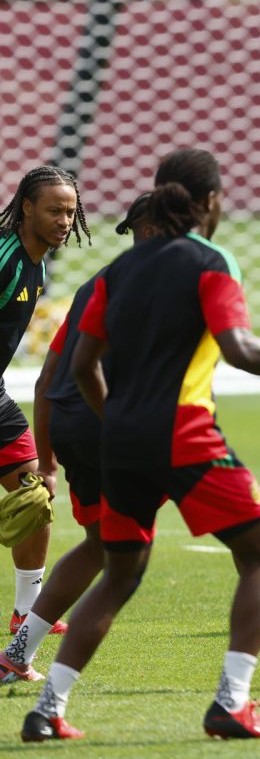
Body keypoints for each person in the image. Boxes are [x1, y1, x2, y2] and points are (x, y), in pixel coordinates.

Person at [21, 149, 260, 742]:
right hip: (186, 437)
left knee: (118, 574)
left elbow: (83, 363)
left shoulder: (109, 275)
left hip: (119, 443)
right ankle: (232, 701)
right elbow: (241, 349)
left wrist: (117, 418)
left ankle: (47, 710)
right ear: (212, 202)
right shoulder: (211, 261)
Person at [0, 167, 90, 639]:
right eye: (54, 209)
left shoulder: (36, 262)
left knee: (33, 498)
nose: (63, 219)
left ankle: (27, 611)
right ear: (27, 208)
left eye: (71, 211)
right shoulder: (5, 258)